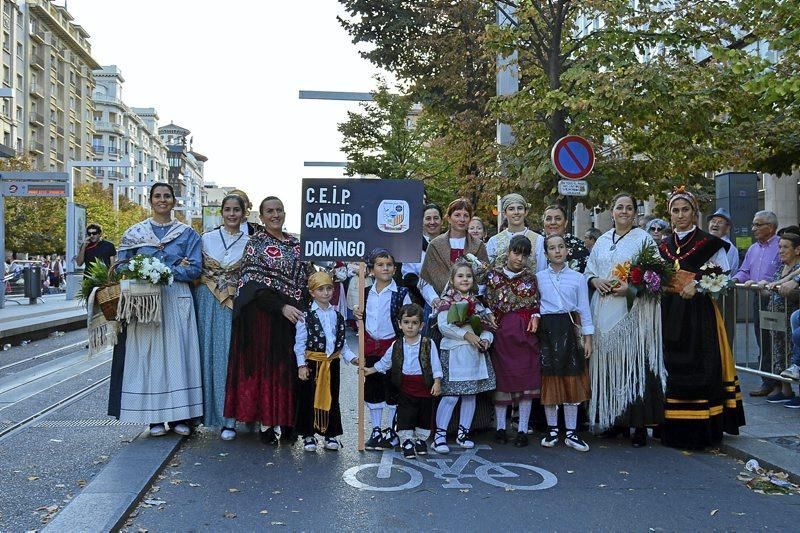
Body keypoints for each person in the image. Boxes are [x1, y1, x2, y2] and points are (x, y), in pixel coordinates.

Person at [109, 182, 203, 437]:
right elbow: (120, 268)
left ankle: (181, 415)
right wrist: (143, 272)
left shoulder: (188, 234)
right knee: (148, 357)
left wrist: (164, 271)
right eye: (157, 196)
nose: (162, 200)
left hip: (176, 298)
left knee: (178, 355)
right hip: (144, 301)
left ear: (174, 201)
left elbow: (195, 269)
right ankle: (154, 418)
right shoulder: (134, 234)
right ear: (150, 200)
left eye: (167, 196)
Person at [658, 186, 745, 449]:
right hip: (669, 312)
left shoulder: (710, 243)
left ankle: (703, 428)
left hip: (699, 315)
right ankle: (671, 427)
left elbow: (723, 275)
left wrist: (698, 284)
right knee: (670, 367)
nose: (680, 215)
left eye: (685, 210)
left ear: (695, 213)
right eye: (676, 210)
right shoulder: (663, 246)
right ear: (670, 214)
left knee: (700, 364)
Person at [224, 196, 313, 444]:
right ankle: (266, 424)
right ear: (261, 217)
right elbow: (252, 285)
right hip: (264, 318)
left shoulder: (297, 244)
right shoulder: (256, 243)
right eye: (269, 211)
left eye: (279, 210)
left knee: (291, 370)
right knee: (270, 372)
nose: (275, 215)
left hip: (294, 318)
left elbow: (309, 278)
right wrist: (281, 306)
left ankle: (287, 424)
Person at [585, 192, 665, 447]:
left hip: (633, 314)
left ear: (635, 213)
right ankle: (613, 420)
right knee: (608, 366)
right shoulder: (602, 240)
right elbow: (589, 270)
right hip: (603, 309)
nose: (624, 211)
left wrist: (629, 289)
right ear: (612, 211)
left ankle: (638, 425)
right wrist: (594, 280)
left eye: (629, 208)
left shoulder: (644, 240)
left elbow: (656, 278)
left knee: (634, 365)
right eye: (619, 207)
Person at [196, 194, 249, 440]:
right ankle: (210, 415)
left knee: (231, 357)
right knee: (208, 355)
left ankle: (231, 418)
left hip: (235, 303)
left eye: (236, 210)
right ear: (221, 212)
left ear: (243, 212)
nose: (231, 214)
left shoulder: (251, 241)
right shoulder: (206, 239)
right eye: (227, 209)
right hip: (207, 299)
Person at [535, 234, 594, 452]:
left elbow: (584, 310)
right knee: (550, 379)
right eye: (552, 248)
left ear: (567, 250)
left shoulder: (578, 278)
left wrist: (588, 338)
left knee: (571, 379)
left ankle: (571, 432)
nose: (557, 251)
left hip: (569, 329)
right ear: (546, 253)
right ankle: (552, 430)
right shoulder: (539, 277)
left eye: (561, 247)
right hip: (547, 330)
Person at [432, 260, 496, 454]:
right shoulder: (447, 301)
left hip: (474, 354)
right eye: (460, 276)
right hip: (454, 352)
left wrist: (486, 339)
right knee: (451, 396)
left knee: (470, 395)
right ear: (452, 280)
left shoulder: (478, 303)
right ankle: (440, 435)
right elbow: (444, 326)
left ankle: (463, 433)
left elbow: (487, 327)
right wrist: (466, 335)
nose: (465, 279)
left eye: (468, 276)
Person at [484, 235, 541, 447]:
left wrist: (536, 315)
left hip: (524, 336)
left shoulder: (531, 279)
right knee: (502, 381)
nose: (519, 258)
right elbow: (485, 301)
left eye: (524, 255)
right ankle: (500, 428)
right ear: (508, 252)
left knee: (525, 382)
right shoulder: (493, 276)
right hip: (501, 334)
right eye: (516, 253)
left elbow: (536, 305)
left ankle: (522, 430)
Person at [365, 303, 443, 459]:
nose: (410, 327)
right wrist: (371, 370)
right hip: (406, 386)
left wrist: (437, 382)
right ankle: (406, 441)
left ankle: (420, 440)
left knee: (423, 415)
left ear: (421, 326)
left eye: (414, 323)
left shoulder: (428, 344)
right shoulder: (397, 345)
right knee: (405, 415)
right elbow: (386, 362)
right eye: (406, 322)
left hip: (424, 386)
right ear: (400, 324)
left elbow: (435, 364)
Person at [353, 249, 411, 450]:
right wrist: (357, 314)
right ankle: (376, 429)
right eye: (380, 264)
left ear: (395, 269)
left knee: (393, 389)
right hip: (371, 346)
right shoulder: (365, 293)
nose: (385, 268)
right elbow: (362, 318)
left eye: (388, 265)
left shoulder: (401, 293)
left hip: (393, 345)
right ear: (371, 270)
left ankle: (391, 430)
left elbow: (408, 319)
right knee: (373, 388)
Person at [294, 271, 358, 452]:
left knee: (332, 398)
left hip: (332, 364)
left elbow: (342, 343)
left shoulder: (337, 315)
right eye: (321, 289)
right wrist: (301, 365)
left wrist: (352, 358)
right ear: (313, 292)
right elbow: (299, 344)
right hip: (312, 363)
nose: (326, 292)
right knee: (308, 399)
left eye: (329, 288)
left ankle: (331, 433)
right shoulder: (306, 316)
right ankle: (308, 434)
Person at [732, 210, 780, 397]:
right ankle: (767, 380)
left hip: (776, 299)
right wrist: (733, 280)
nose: (753, 229)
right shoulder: (753, 249)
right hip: (758, 298)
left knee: (776, 341)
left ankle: (778, 382)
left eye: (758, 225)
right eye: (753, 224)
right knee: (762, 340)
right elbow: (744, 271)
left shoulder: (780, 246)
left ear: (771, 227)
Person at [420, 198, 488, 309]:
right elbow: (426, 279)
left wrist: (471, 299)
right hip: (439, 306)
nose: (462, 219)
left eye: (466, 216)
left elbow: (484, 278)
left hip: (471, 306)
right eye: (457, 215)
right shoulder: (435, 245)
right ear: (449, 218)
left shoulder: (478, 245)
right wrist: (435, 300)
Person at [761, 231, 800, 403]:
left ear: (797, 250)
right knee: (779, 352)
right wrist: (761, 284)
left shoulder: (797, 268)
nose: (781, 251)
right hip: (775, 319)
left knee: (793, 352)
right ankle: (785, 389)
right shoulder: (780, 268)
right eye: (780, 247)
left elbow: (792, 290)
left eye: (785, 247)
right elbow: (772, 285)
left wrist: (790, 289)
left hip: (790, 316)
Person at [402, 203, 444, 308]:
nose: (432, 222)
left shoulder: (449, 244)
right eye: (428, 218)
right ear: (421, 222)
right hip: (422, 302)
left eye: (436, 218)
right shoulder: (412, 246)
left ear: (442, 221)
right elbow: (408, 276)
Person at [486, 193, 543, 269]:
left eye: (520, 208)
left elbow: (541, 270)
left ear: (526, 212)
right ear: (505, 213)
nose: (516, 212)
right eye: (511, 209)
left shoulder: (538, 240)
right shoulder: (494, 241)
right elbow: (488, 270)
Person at [541, 205, 590, 273]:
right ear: (544, 222)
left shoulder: (579, 247)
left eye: (558, 218)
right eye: (548, 219)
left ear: (565, 223)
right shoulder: (537, 244)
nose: (553, 222)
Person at [707, 208, 740, 273]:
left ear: (727, 228)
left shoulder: (729, 248)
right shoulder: (705, 243)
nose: (715, 224)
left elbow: (724, 273)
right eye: (713, 221)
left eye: (720, 222)